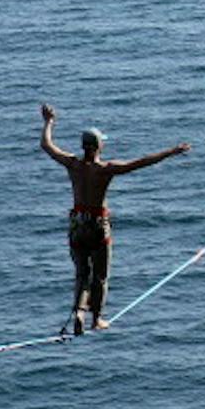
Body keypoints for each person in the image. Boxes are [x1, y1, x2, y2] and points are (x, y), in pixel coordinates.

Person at [38, 103, 189, 334]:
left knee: (81, 273)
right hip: (98, 226)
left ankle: (79, 312)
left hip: (77, 225)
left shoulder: (72, 164)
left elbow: (46, 145)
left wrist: (49, 122)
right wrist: (171, 152)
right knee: (100, 275)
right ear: (99, 146)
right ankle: (96, 318)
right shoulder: (106, 169)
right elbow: (141, 162)